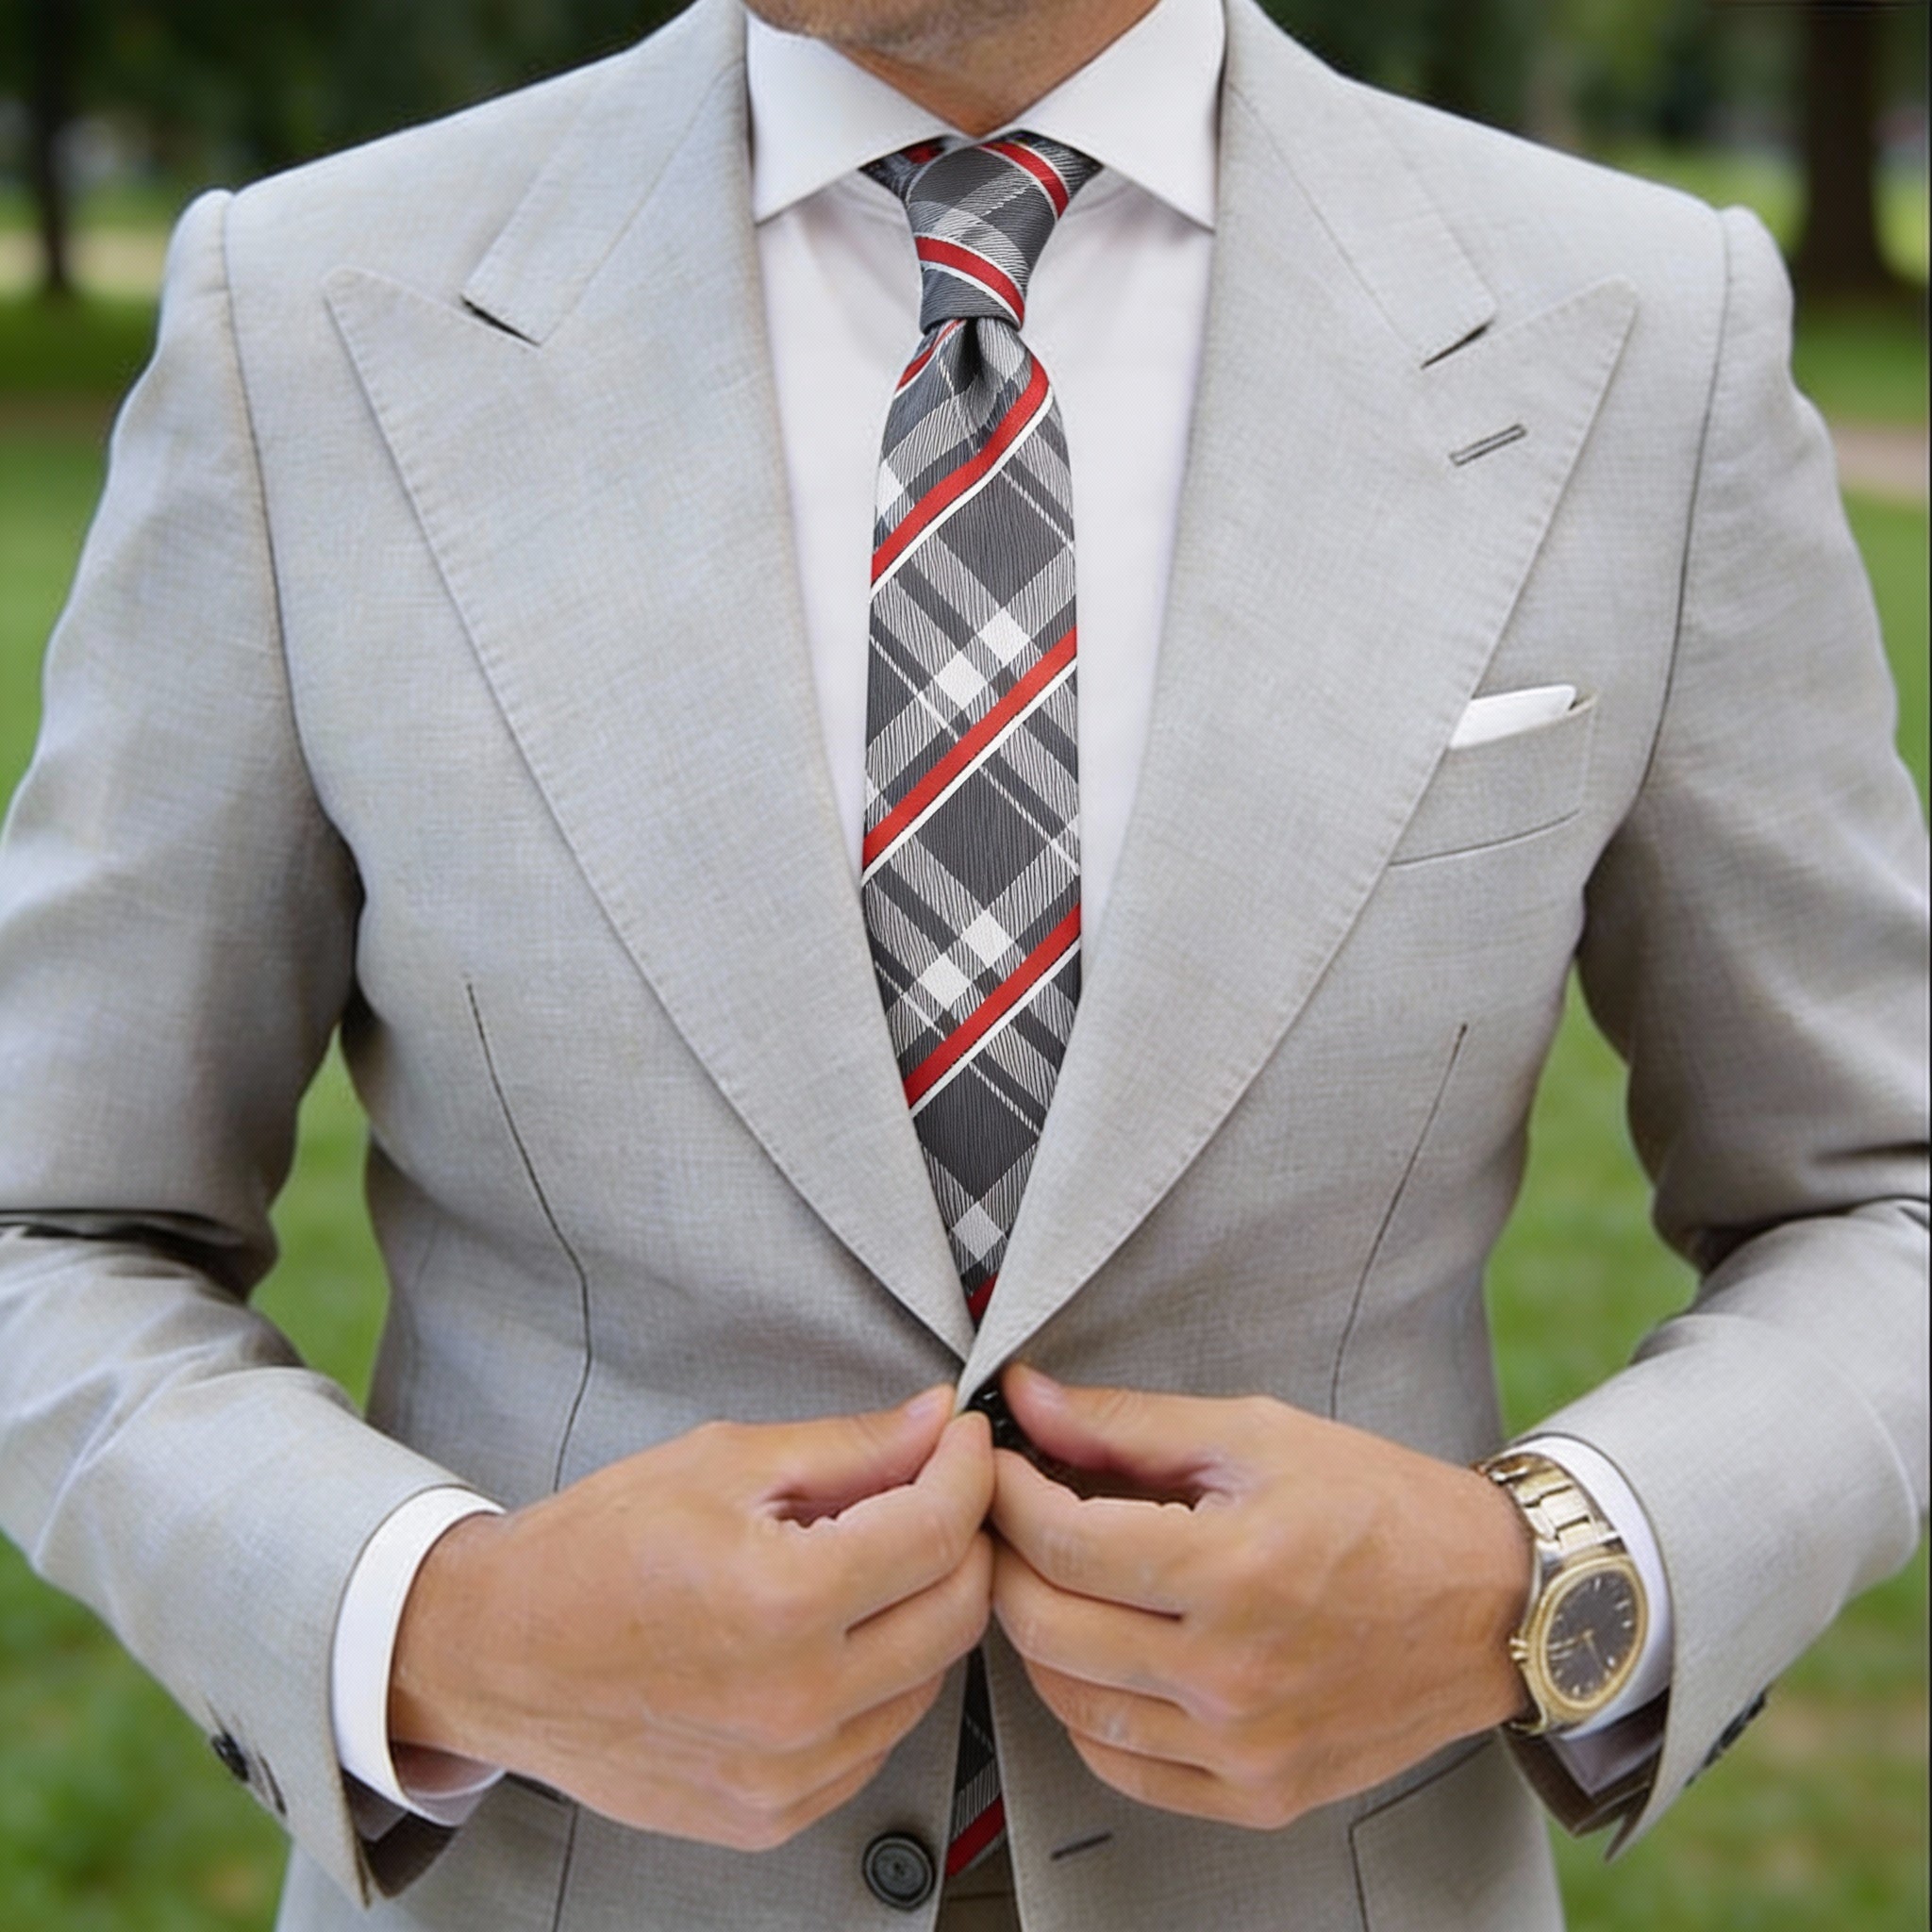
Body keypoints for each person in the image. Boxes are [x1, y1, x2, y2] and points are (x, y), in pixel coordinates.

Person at [0, 0, 1924, 1925]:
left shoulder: (1638, 330)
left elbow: (1878, 1200)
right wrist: (444, 1625)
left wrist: (1541, 1585)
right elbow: (52, 1227)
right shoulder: (310, 314)